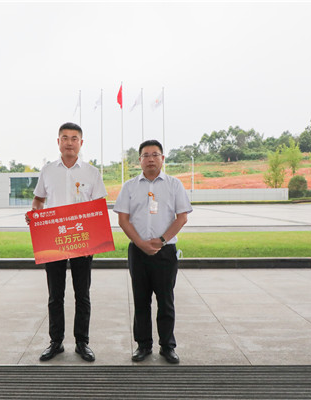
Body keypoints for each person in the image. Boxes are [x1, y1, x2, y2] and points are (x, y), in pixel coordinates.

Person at [26, 122, 107, 362]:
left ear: (81, 143)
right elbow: (38, 201)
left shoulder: (92, 173)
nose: (69, 142)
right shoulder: (48, 171)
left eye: (74, 138)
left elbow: (99, 208)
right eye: (64, 138)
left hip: (83, 240)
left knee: (82, 295)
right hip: (54, 239)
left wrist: (94, 237)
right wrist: (35, 215)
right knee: (55, 295)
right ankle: (56, 342)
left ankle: (82, 343)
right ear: (58, 142)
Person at [113, 139, 192, 364]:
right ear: (139, 160)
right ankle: (143, 345)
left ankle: (167, 346)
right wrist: (140, 243)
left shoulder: (174, 185)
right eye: (146, 155)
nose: (150, 159)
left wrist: (161, 241)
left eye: (155, 155)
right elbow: (123, 219)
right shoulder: (129, 186)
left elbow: (182, 217)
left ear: (162, 158)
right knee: (141, 300)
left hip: (165, 252)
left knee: (166, 300)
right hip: (138, 252)